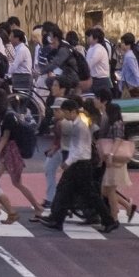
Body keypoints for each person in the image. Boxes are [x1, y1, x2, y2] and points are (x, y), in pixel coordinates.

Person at [44, 99, 116, 233]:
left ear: (72, 112)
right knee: (67, 191)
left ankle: (109, 220)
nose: (64, 115)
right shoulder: (79, 124)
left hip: (80, 165)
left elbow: (79, 149)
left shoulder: (79, 127)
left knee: (84, 193)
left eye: (66, 112)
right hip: (80, 164)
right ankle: (57, 219)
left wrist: (68, 162)